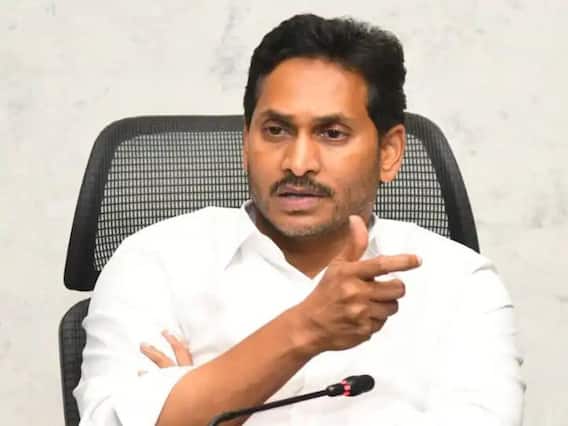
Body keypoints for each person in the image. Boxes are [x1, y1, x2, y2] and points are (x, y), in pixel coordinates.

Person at [74, 13, 524, 426]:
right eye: (276, 131)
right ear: (247, 142)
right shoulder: (154, 262)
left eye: (332, 133)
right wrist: (306, 328)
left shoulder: (461, 283)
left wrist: (200, 401)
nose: (298, 162)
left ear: (388, 153)